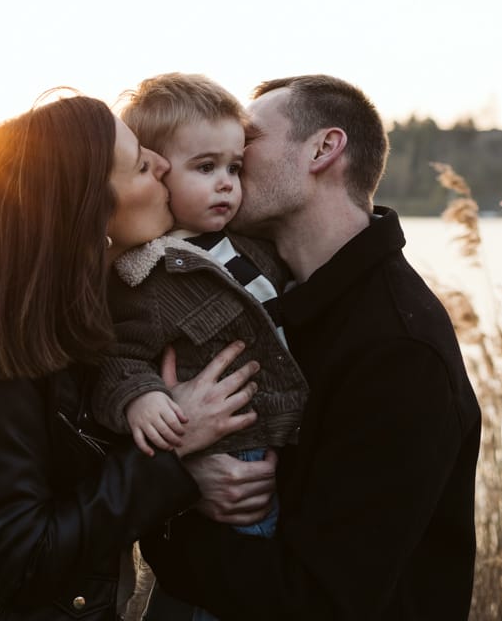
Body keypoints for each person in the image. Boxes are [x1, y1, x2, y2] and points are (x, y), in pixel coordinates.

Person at [0, 93, 268, 621]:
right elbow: (19, 561)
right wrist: (176, 455)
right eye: (142, 163)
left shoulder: (95, 324)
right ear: (91, 213)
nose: (163, 164)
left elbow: (91, 493)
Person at [141, 75, 482, 620]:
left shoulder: (398, 348)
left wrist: (163, 519)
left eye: (248, 141)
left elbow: (320, 599)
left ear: (323, 149)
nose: (233, 154)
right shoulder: (255, 293)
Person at [92, 74, 309, 620]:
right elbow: (117, 358)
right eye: (206, 168)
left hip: (282, 459)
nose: (226, 184)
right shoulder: (150, 274)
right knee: (205, 599)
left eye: (234, 168)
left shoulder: (254, 247)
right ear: (157, 173)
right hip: (224, 458)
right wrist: (142, 399)